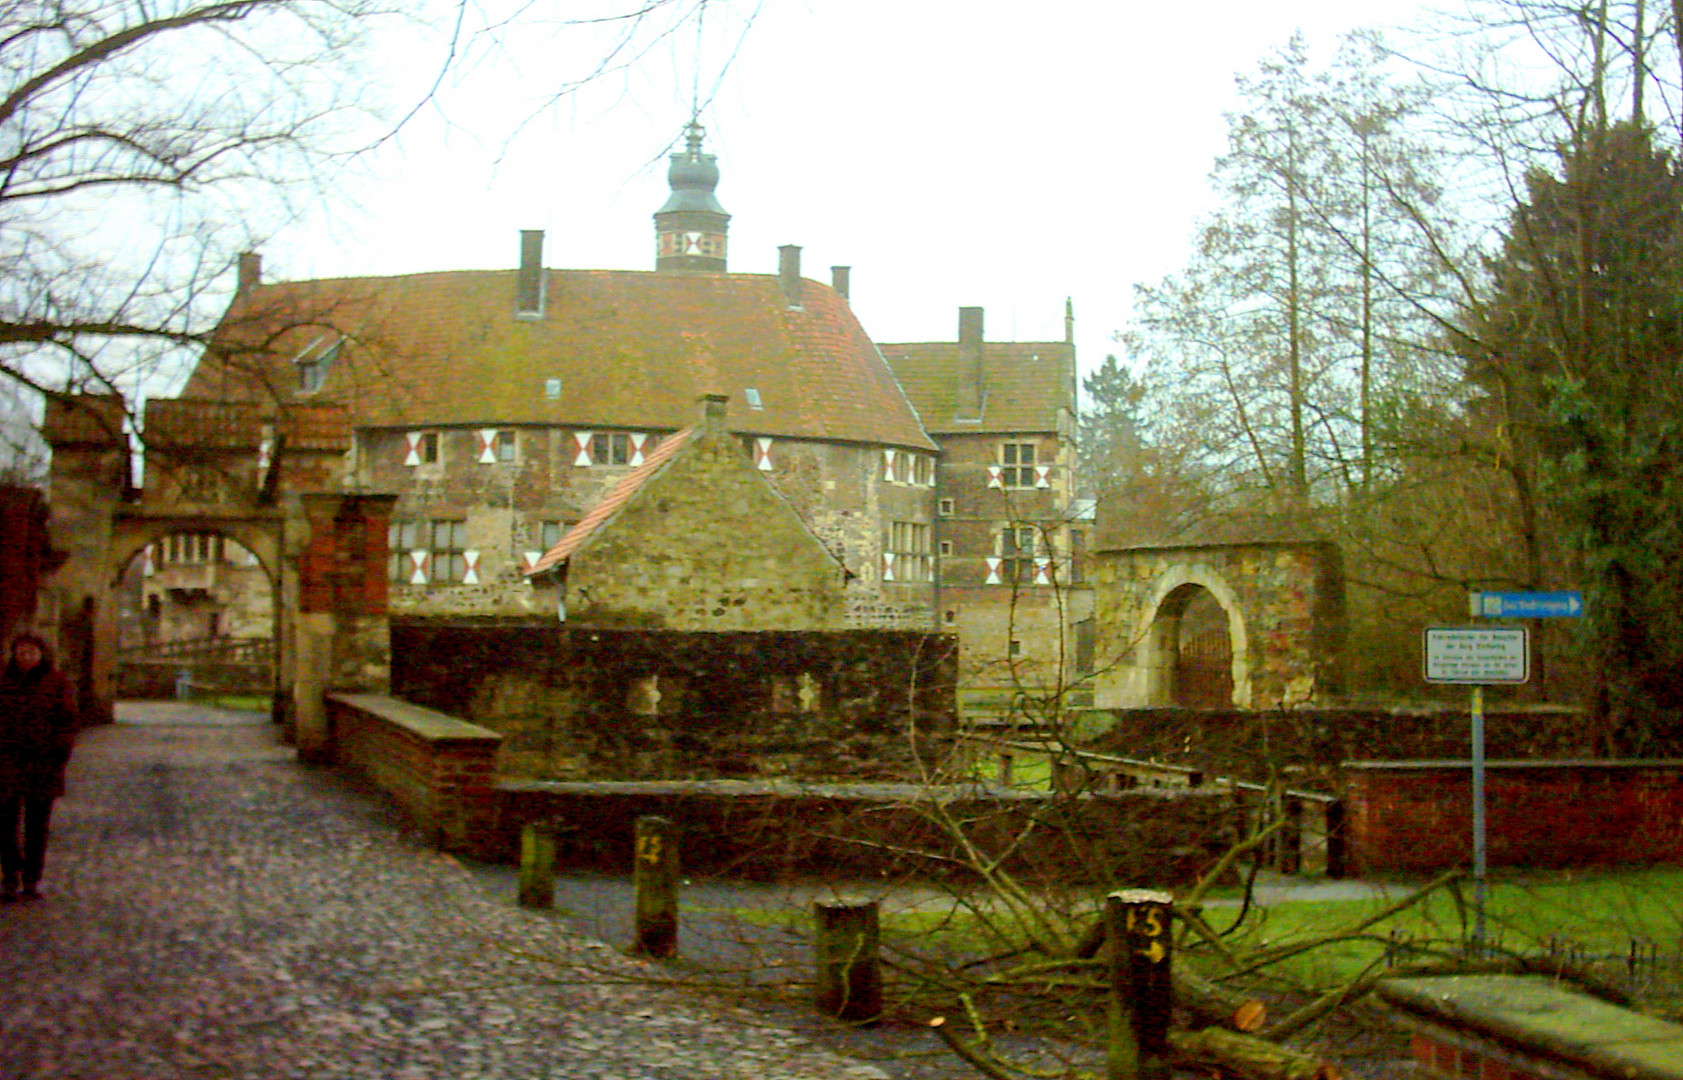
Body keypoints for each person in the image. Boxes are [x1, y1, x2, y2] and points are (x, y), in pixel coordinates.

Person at [0, 633, 77, 901]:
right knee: (6, 825)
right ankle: (10, 876)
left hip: (43, 763)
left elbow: (67, 720)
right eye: (22, 652)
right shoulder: (4, 680)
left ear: (42, 654)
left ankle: (32, 879)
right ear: (14, 654)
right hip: (8, 762)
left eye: (32, 653)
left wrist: (59, 753)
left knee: (37, 826)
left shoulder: (56, 682)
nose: (27, 658)